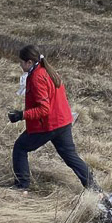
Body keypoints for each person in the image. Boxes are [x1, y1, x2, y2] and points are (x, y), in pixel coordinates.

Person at [8, 44, 97, 194]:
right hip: (63, 121)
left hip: (49, 125)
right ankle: (95, 189)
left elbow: (44, 109)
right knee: (70, 157)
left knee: (20, 147)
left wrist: (21, 115)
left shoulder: (37, 77)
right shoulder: (47, 70)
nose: (20, 65)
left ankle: (21, 186)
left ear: (29, 62)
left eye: (21, 62)